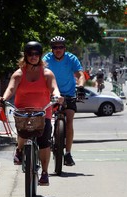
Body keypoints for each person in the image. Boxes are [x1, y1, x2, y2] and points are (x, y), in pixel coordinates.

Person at [0, 41, 63, 186]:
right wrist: (4, 98)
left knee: (44, 141)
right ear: (25, 56)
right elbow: (11, 88)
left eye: (37, 54)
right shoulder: (19, 73)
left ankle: (44, 173)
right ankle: (19, 150)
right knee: (23, 132)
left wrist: (57, 96)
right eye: (30, 54)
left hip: (42, 112)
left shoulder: (46, 73)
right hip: (23, 111)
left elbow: (54, 88)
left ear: (40, 56)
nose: (33, 57)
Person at [43, 36, 86, 166]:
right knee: (44, 120)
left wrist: (81, 87)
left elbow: (80, 75)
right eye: (55, 47)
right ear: (52, 49)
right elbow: (40, 73)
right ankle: (43, 143)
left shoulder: (71, 58)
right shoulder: (46, 59)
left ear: (64, 48)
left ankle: (67, 153)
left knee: (69, 120)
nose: (58, 50)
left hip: (68, 94)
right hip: (50, 94)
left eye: (60, 47)